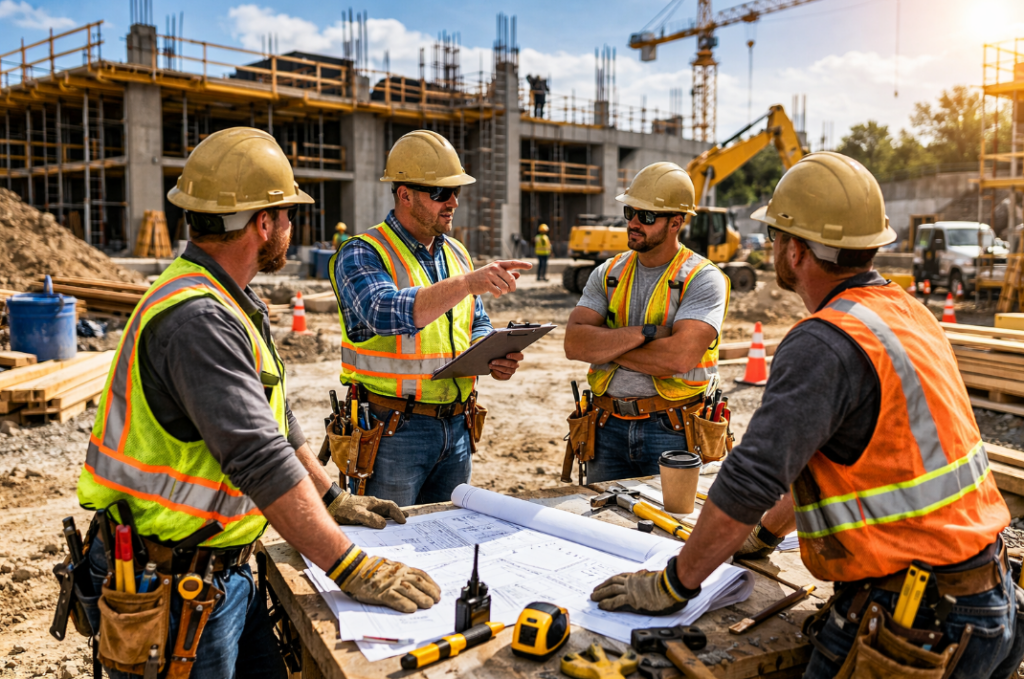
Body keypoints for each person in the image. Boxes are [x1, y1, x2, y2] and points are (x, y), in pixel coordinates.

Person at [589, 152, 1022, 679]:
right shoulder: (907, 313)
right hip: (989, 594)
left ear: (794, 251)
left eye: (773, 237)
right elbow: (838, 453)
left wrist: (672, 584)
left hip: (917, 615)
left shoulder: (824, 341)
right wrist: (766, 535)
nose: (772, 247)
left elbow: (752, 477)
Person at [76, 128, 441, 679]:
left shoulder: (227, 298)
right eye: (288, 215)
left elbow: (277, 420)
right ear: (263, 223)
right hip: (170, 583)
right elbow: (260, 459)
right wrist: (352, 565)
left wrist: (332, 496)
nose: (292, 229)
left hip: (218, 569)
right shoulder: (198, 318)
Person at [331, 129, 532, 506]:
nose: (452, 201)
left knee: (449, 539)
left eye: (456, 191)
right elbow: (382, 312)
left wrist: (490, 352)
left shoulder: (456, 253)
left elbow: (476, 321)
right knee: (388, 542)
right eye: (440, 192)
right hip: (392, 432)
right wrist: (468, 282)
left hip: (456, 427)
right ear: (404, 194)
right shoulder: (362, 252)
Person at [563, 162, 729, 483]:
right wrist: (646, 334)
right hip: (606, 425)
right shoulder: (609, 273)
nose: (635, 223)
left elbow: (678, 358)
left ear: (675, 223)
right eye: (631, 212)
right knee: (603, 527)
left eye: (648, 216)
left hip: (672, 430)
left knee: (671, 525)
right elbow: (574, 344)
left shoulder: (702, 278)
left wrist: (605, 347)